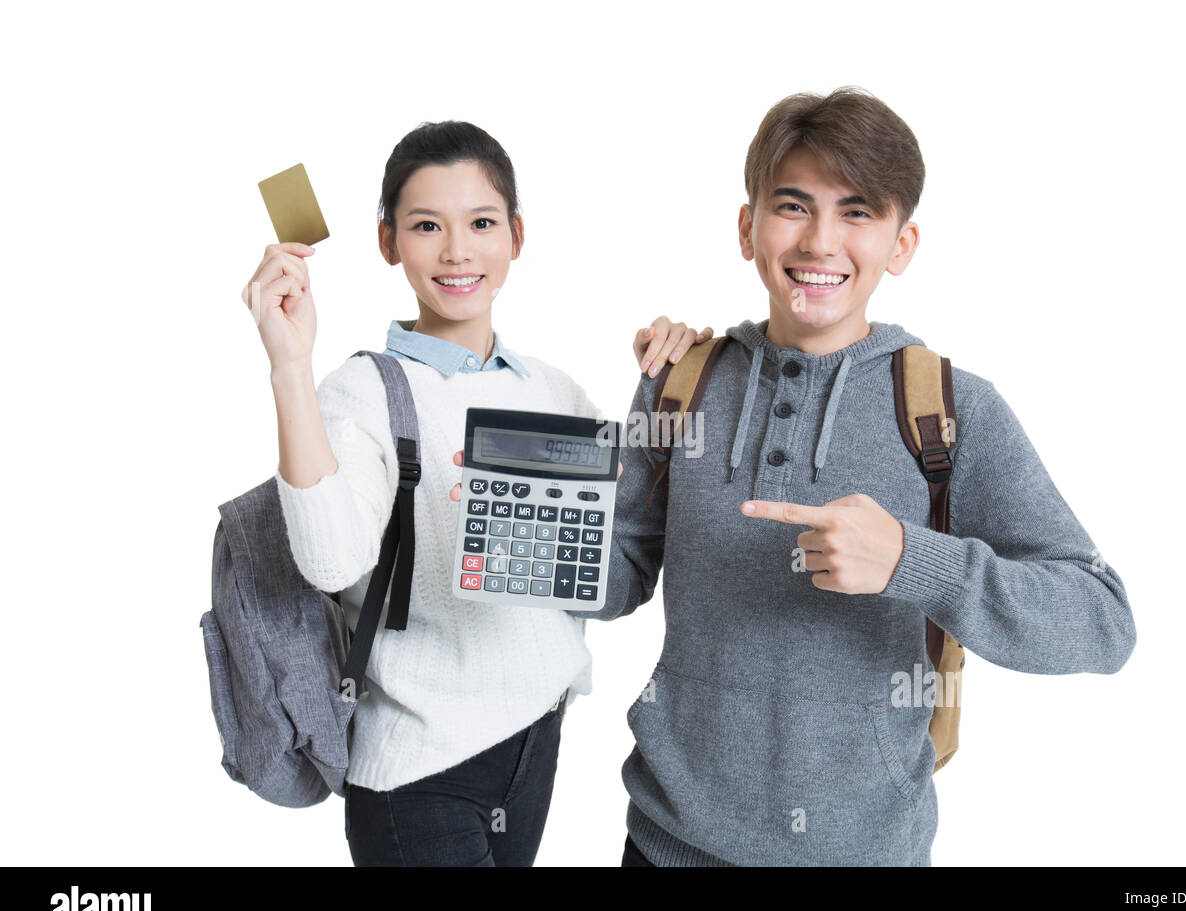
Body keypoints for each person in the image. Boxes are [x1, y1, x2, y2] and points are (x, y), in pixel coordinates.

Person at [572, 87, 1138, 866]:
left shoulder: (951, 409)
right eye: (793, 206)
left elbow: (1102, 622)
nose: (820, 242)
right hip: (666, 844)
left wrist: (914, 561)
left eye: (858, 213)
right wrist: (514, 530)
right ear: (749, 227)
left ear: (900, 245)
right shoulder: (681, 382)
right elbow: (622, 575)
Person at [240, 120, 708, 866]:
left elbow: (618, 578)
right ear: (389, 241)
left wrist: (672, 380)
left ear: (516, 236)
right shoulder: (361, 392)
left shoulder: (558, 393)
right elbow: (330, 562)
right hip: (419, 768)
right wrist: (290, 367)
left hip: (535, 743)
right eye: (427, 226)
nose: (458, 252)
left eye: (482, 224)